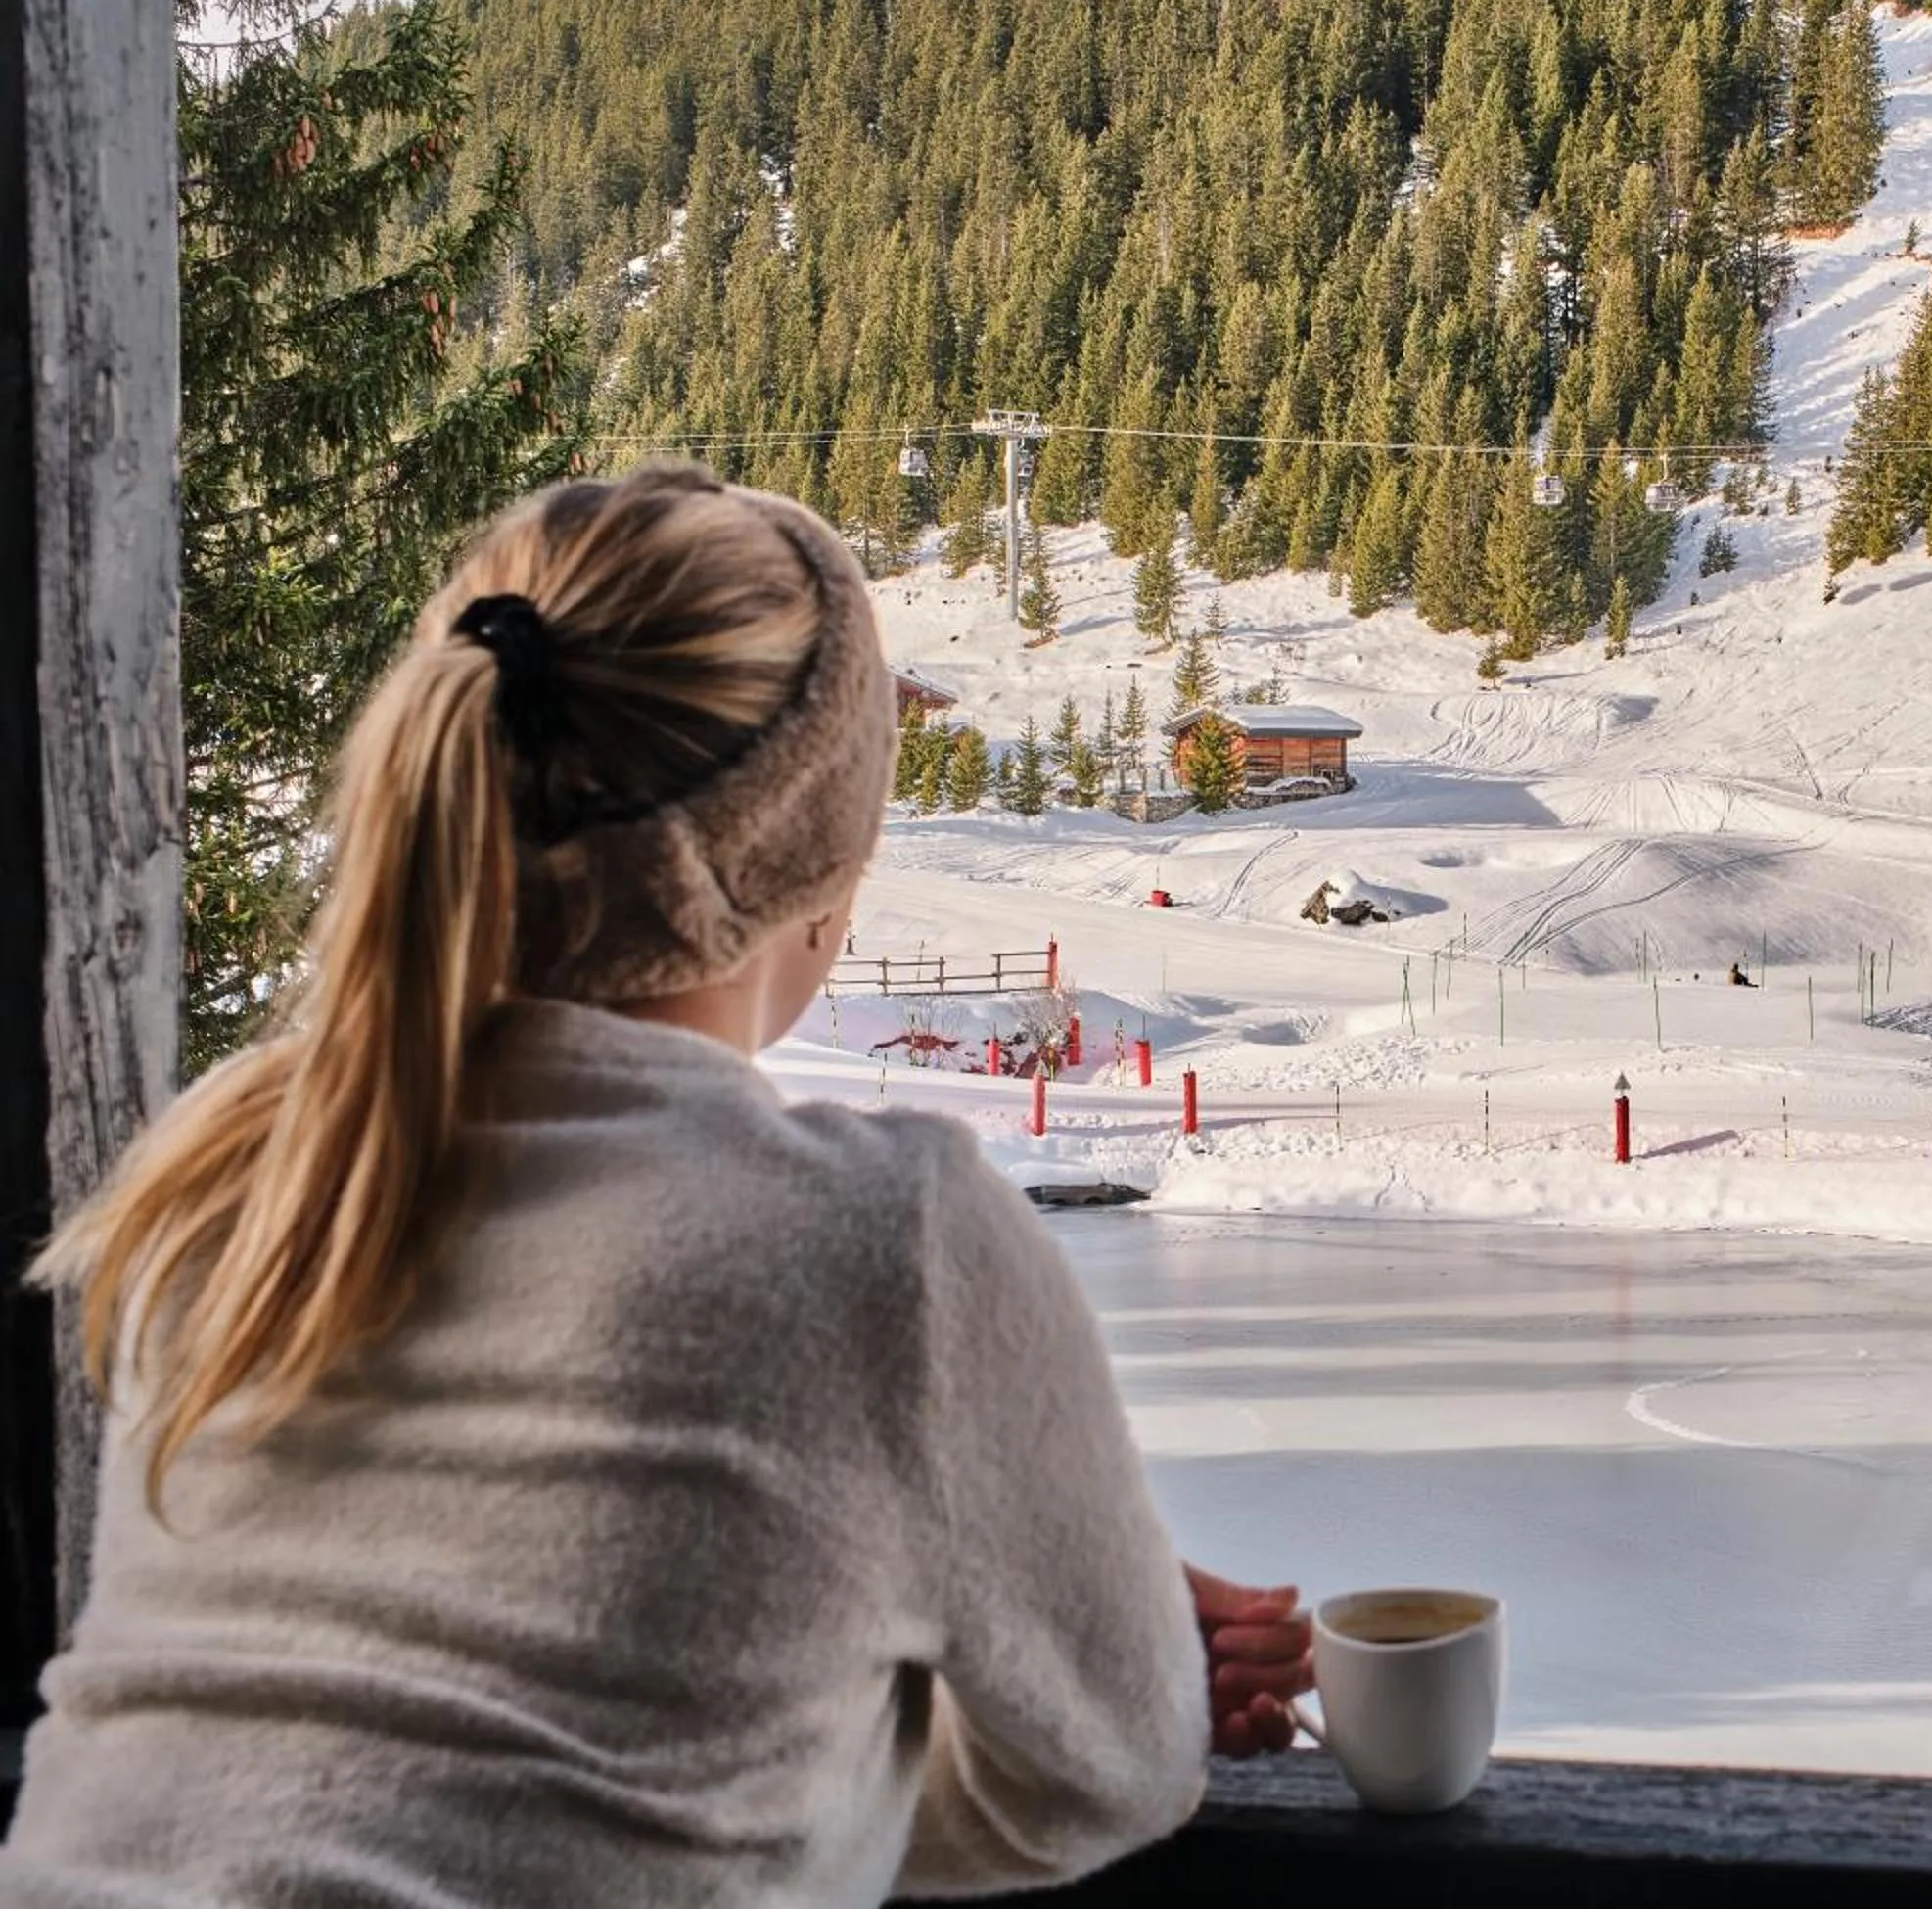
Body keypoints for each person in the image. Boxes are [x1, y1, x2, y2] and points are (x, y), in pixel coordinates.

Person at [1, 465, 1308, 1905]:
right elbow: (1104, 1775)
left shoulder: (236, 1166)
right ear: (821, 863)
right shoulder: (885, 1241)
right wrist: (968, 1667)